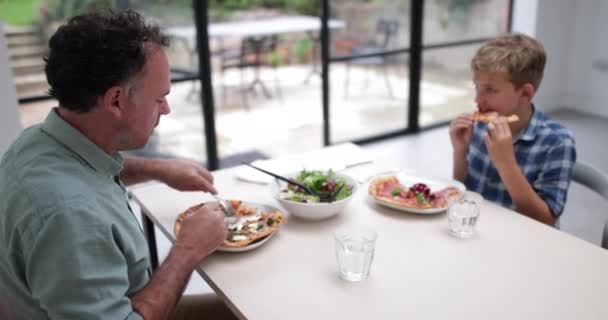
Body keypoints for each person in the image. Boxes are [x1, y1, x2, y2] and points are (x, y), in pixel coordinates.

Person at [0, 10, 236, 320]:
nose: (166, 109)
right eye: (159, 98)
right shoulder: (71, 218)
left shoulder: (36, 142)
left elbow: (85, 170)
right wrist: (187, 251)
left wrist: (157, 170)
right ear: (116, 101)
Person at [449, 33, 576, 226]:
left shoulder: (558, 142)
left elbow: (546, 220)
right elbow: (464, 192)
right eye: (477, 87)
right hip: (478, 228)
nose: (477, 100)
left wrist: (506, 164)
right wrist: (459, 151)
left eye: (490, 90)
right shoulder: (480, 125)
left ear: (525, 93)